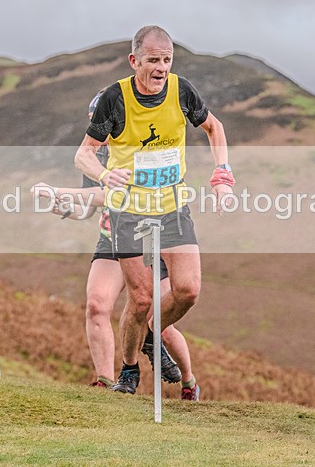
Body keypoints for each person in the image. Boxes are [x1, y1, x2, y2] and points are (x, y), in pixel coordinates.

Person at [75, 26, 234, 395]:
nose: (161, 68)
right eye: (153, 60)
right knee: (142, 298)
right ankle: (128, 371)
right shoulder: (115, 98)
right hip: (129, 211)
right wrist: (104, 174)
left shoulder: (182, 90)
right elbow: (83, 153)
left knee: (188, 289)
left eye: (167, 60)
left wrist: (222, 173)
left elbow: (214, 127)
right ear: (135, 61)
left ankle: (149, 333)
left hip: (172, 207)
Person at [32, 91, 200, 400]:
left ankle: (189, 382)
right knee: (97, 305)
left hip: (149, 241)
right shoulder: (94, 157)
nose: (103, 130)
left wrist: (56, 191)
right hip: (112, 240)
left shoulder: (141, 151)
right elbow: (89, 206)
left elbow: (104, 196)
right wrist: (66, 208)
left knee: (155, 319)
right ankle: (106, 384)